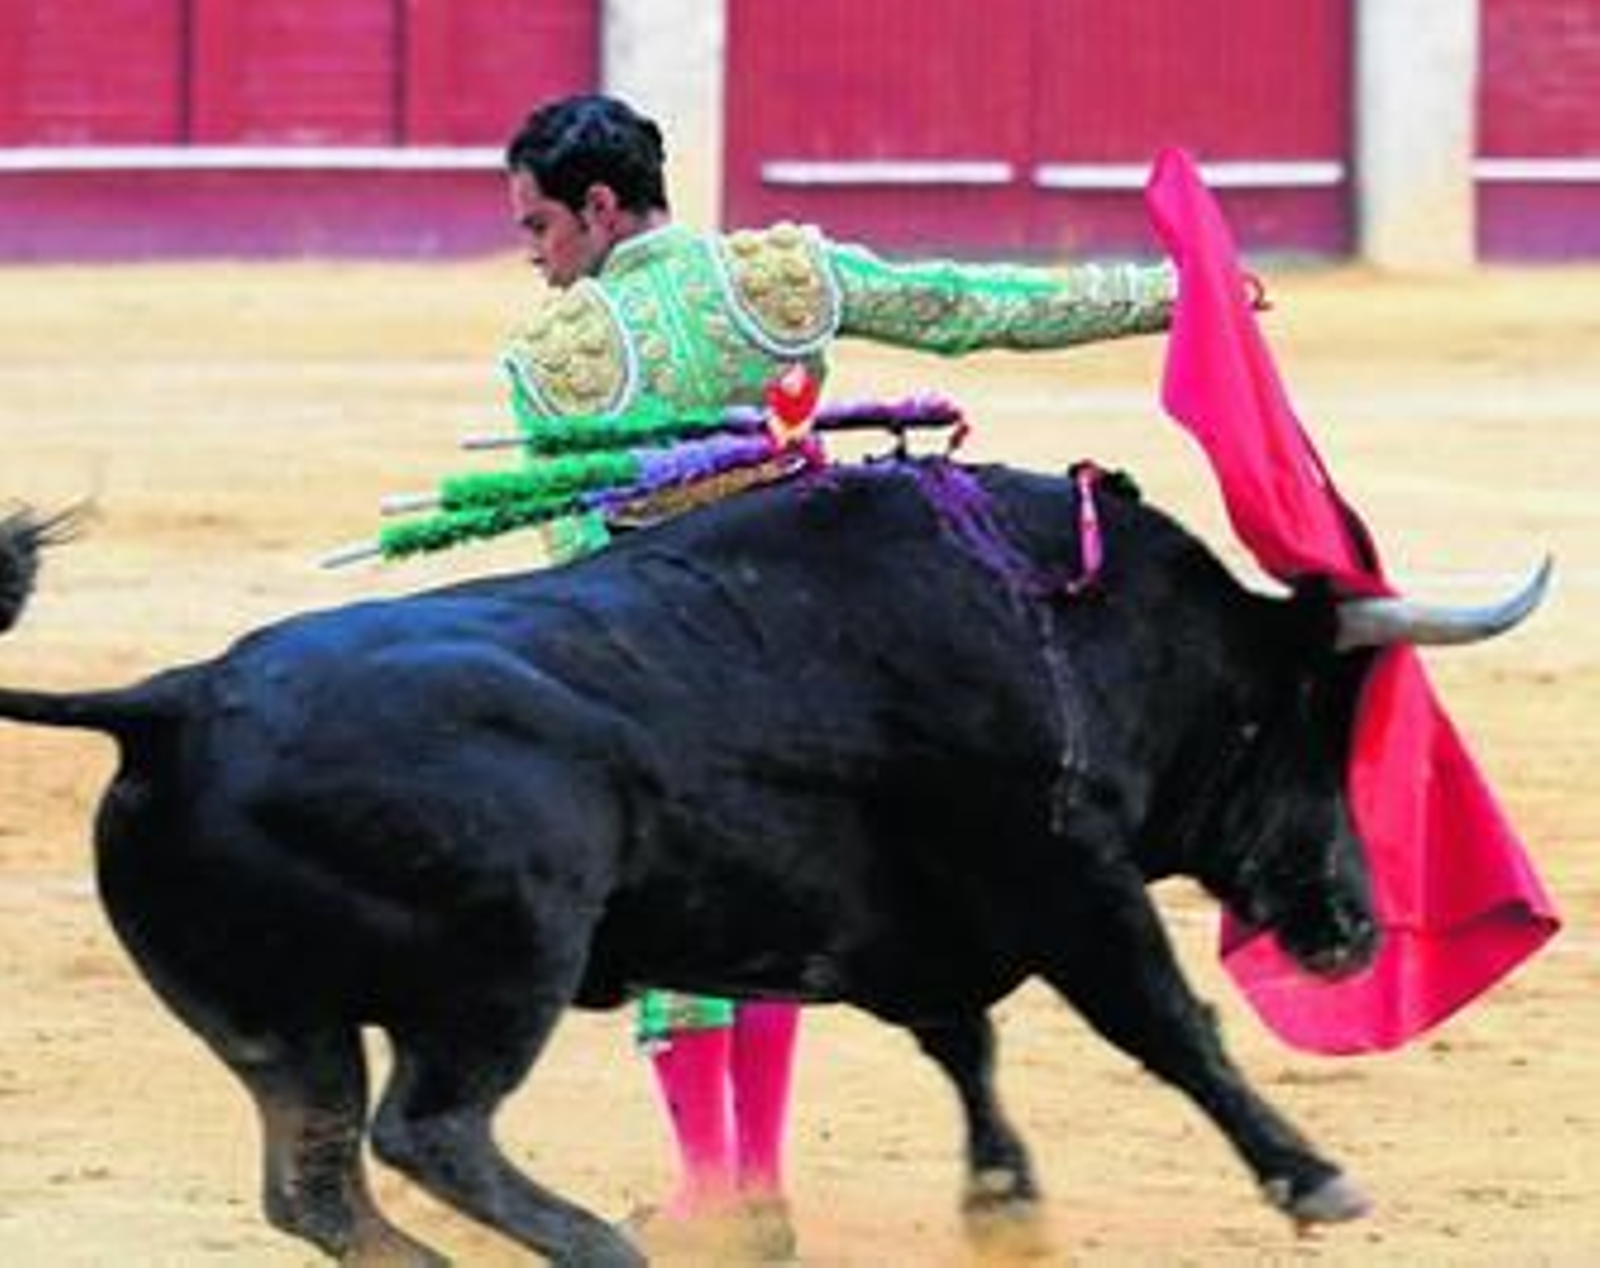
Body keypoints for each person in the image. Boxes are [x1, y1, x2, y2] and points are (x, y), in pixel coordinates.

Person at [497, 92, 1180, 1257]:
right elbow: (976, 309)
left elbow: (578, 560)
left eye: (540, 228)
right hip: (824, 665)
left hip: (664, 671)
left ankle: (714, 1186)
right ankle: (754, 1182)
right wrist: (1172, 296)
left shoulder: (554, 359)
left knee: (670, 915)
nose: (536, 258)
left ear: (599, 210)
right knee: (775, 904)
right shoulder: (783, 280)